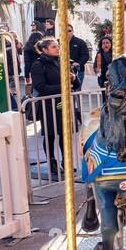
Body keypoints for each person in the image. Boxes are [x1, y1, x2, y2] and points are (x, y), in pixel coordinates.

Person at [30, 37, 73, 178]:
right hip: (48, 104)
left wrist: (73, 78)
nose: (58, 48)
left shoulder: (61, 61)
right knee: (50, 134)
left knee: (64, 134)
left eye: (58, 46)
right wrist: (63, 87)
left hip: (63, 103)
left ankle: (66, 162)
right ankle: (52, 162)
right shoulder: (38, 65)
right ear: (44, 49)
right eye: (54, 47)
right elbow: (40, 86)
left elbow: (74, 83)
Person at [66, 26, 91, 90]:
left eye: (69, 30)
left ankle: (77, 100)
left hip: (77, 70)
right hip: (61, 70)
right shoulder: (58, 42)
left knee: (77, 90)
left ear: (73, 31)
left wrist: (78, 63)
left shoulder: (80, 42)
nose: (67, 32)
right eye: (65, 30)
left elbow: (85, 55)